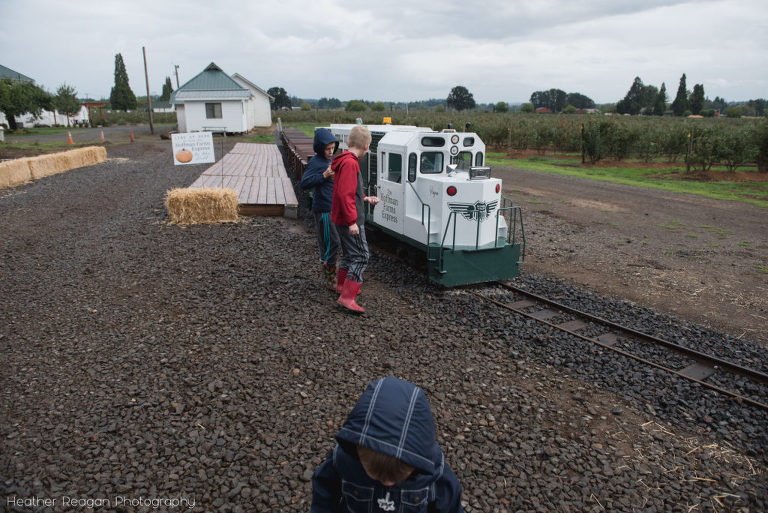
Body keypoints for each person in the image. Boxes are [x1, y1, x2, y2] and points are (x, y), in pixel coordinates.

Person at [310, 376, 464, 513]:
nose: (388, 483)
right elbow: (324, 490)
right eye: (376, 475)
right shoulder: (345, 459)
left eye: (398, 478)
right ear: (358, 450)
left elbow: (450, 506)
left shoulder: (432, 468)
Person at [330, 125, 379, 313]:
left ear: (348, 142)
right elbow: (345, 194)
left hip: (341, 218)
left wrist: (364, 198)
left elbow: (348, 190)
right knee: (361, 256)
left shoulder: (344, 160)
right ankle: (347, 297)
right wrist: (352, 222)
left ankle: (342, 287)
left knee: (350, 255)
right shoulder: (351, 163)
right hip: (350, 220)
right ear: (366, 146)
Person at [300, 128, 340, 291]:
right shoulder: (316, 162)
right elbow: (304, 183)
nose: (331, 152)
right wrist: (323, 176)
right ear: (320, 147)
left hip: (332, 207)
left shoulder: (330, 160)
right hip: (323, 208)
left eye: (333, 148)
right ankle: (329, 277)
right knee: (332, 242)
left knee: (330, 241)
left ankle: (331, 274)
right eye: (327, 149)